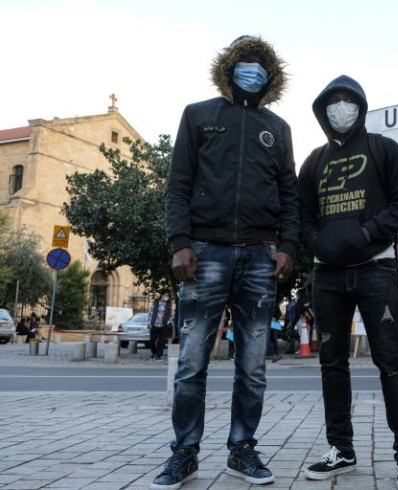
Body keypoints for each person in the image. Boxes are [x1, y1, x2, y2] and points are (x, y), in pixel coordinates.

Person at [154, 35, 298, 490]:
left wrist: (288, 247)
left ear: (270, 76)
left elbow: (290, 195)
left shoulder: (278, 127)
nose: (252, 70)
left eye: (260, 65)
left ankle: (242, 451)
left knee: (252, 366)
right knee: (192, 364)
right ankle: (184, 454)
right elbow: (178, 184)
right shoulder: (198, 116)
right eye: (244, 63)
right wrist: (180, 242)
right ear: (229, 68)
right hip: (204, 254)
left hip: (260, 259)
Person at [298, 75, 398, 489]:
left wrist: (369, 233)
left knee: (391, 362)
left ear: (360, 106)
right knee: (331, 362)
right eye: (331, 102)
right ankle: (341, 450)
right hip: (327, 274)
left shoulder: (384, 149)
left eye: (347, 101)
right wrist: (319, 243)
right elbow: (301, 217)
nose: (339, 109)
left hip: (377, 269)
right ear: (322, 110)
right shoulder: (313, 162)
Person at [147, 292, 172, 361]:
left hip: (163, 326)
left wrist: (168, 322)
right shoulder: (156, 303)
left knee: (161, 342)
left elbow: (171, 315)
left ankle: (159, 356)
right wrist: (149, 323)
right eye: (165, 295)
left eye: (168, 296)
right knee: (152, 341)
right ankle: (154, 353)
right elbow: (151, 313)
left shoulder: (169, 304)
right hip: (155, 324)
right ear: (162, 295)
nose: (167, 297)